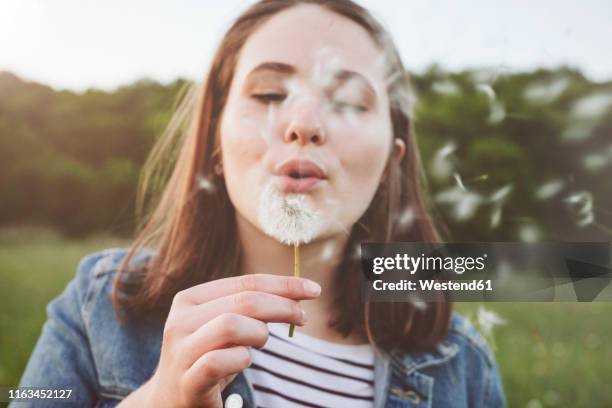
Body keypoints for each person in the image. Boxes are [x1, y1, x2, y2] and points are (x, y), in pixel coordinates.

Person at [15, 1, 505, 407]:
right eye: (270, 92)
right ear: (215, 142)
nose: (304, 123)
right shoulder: (99, 306)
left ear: (391, 162)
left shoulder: (461, 366)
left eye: (351, 101)